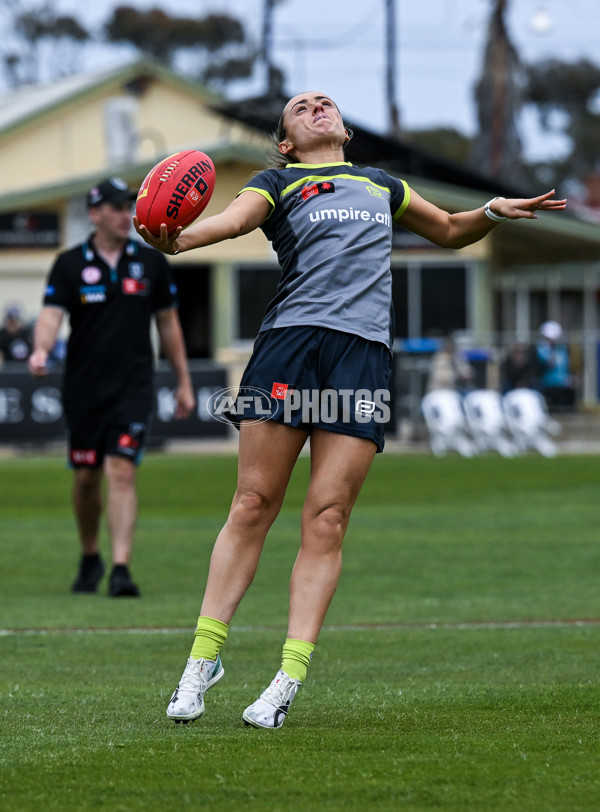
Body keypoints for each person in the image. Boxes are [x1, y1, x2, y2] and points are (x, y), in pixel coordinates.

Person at [134, 91, 566, 729]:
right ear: (285, 141)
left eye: (325, 101)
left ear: (341, 127)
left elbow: (448, 231)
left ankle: (287, 676)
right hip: (290, 349)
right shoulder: (276, 183)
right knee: (253, 504)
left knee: (328, 518)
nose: (317, 106)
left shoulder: (381, 184)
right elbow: (226, 223)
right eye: (301, 106)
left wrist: (491, 213)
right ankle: (205, 657)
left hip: (360, 358)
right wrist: (176, 242)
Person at [28, 177, 195, 597]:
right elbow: (50, 315)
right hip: (83, 389)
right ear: (95, 213)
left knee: (121, 470)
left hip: (133, 387)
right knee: (86, 477)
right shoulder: (68, 264)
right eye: (118, 208)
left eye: (130, 207)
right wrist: (39, 350)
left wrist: (184, 382)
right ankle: (90, 555)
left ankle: (121, 567)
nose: (127, 215)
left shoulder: (152, 262)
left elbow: (169, 325)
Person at [535, 320, 576, 410]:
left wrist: (570, 378)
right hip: (548, 385)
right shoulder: (540, 349)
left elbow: (565, 366)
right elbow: (542, 366)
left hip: (563, 385)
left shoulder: (561, 348)